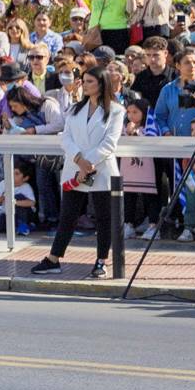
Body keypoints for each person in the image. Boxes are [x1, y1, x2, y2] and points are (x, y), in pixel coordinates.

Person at [34, 65, 127, 277]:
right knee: (68, 215)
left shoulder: (116, 110)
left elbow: (110, 143)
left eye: (89, 81)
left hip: (101, 170)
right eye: (83, 81)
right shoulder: (75, 109)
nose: (84, 85)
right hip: (74, 168)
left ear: (101, 83)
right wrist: (79, 159)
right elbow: (65, 137)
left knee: (103, 217)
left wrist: (89, 163)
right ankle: (53, 258)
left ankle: (101, 260)